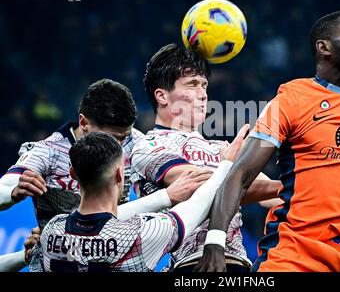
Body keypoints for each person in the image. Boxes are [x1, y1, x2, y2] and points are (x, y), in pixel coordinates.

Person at [195, 10, 340, 272]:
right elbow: (241, 174)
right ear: (324, 47)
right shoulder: (292, 100)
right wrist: (215, 242)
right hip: (293, 258)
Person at [0, 78, 208, 271]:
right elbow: (4, 188)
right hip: (58, 258)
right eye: (112, 137)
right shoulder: (48, 152)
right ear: (83, 122)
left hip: (115, 255)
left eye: (124, 136)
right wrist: (13, 193)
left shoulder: (136, 142)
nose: (119, 145)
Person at [131, 43, 281, 271]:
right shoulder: (148, 146)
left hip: (239, 264)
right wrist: (241, 173)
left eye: (204, 85)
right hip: (191, 265)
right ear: (162, 96)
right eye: (192, 85)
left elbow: (269, 193)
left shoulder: (221, 147)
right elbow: (197, 186)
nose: (203, 95)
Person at [40, 129, 246, 272]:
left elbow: (95, 223)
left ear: (73, 174)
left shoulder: (52, 230)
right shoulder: (141, 233)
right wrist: (227, 163)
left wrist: (165, 196)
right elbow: (197, 207)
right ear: (120, 174)